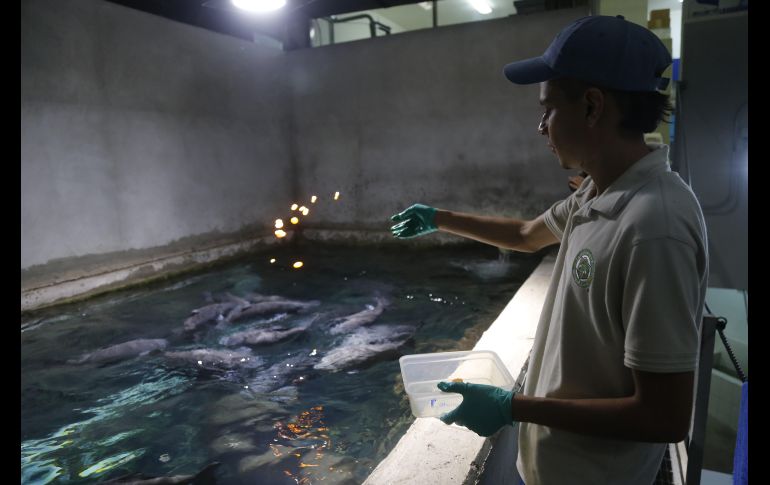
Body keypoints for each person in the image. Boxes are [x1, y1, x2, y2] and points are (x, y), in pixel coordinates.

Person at [389, 15, 709, 485]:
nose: (541, 127)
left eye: (549, 109)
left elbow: (663, 417)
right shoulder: (596, 193)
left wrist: (512, 408)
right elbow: (525, 235)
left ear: (592, 106)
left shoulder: (654, 226)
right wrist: (440, 217)